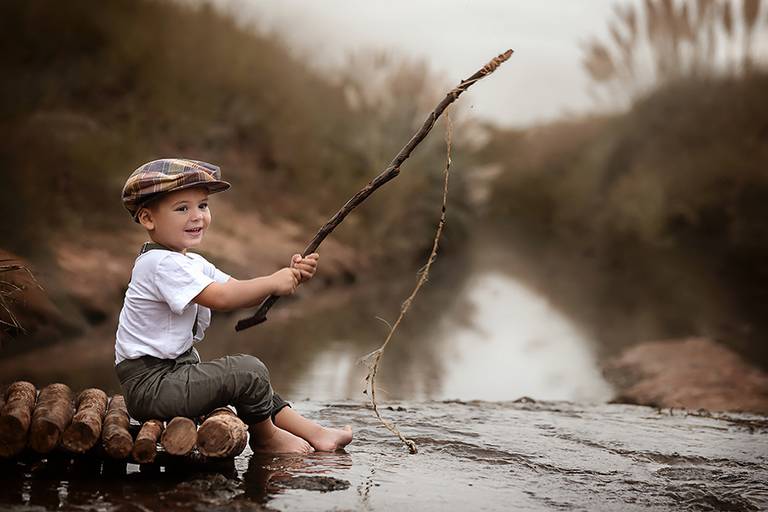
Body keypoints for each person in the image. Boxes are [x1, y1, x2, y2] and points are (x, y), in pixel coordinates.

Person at [114, 158, 352, 454]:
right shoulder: (160, 264)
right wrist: (273, 282)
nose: (197, 216)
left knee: (254, 382)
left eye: (202, 205)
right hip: (153, 386)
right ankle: (266, 438)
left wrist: (288, 277)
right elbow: (223, 298)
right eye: (182, 208)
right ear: (148, 219)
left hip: (174, 375)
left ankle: (315, 433)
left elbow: (238, 289)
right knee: (249, 372)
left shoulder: (188, 261)